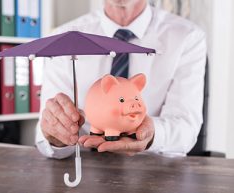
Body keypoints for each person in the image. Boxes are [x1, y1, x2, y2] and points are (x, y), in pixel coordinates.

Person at [35, 0, 207, 159]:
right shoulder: (64, 38)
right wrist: (56, 136)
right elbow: (46, 133)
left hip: (153, 168)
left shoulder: (187, 37)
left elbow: (185, 129)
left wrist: (151, 134)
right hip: (85, 163)